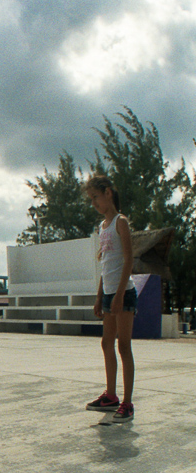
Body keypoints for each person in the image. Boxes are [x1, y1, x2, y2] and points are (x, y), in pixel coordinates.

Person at [84, 175, 136, 424]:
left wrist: (119, 294)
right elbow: (105, 265)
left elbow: (128, 259)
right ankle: (111, 395)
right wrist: (99, 297)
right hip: (108, 294)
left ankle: (127, 402)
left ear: (108, 193)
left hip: (123, 294)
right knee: (106, 343)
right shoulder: (102, 227)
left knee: (123, 345)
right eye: (90, 198)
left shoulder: (120, 222)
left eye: (95, 197)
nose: (93, 202)